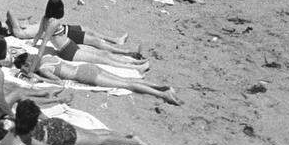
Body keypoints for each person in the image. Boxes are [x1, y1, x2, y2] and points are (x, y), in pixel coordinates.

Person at [13, 53, 181, 106]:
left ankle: (163, 95)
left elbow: (58, 82)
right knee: (126, 79)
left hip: (87, 75)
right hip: (87, 67)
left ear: (28, 64)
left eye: (26, 68)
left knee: (128, 84)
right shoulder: (47, 57)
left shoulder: (43, 69)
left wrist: (36, 77)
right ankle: (162, 87)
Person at [5, 0, 139, 56]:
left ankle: (115, 41)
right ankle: (117, 43)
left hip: (63, 31)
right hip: (64, 32)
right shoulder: (18, 33)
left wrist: (22, 24)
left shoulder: (24, 28)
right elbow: (10, 12)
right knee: (94, 39)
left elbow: (40, 32)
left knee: (91, 34)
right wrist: (14, 23)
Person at [0, 37, 69, 123]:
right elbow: (1, 102)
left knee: (13, 92)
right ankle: (49, 111)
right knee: (18, 93)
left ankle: (47, 95)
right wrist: (13, 116)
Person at [0, 99, 151, 145]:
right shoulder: (16, 127)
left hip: (58, 135)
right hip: (52, 124)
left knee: (99, 140)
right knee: (96, 132)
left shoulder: (21, 140)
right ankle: (126, 136)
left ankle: (134, 142)